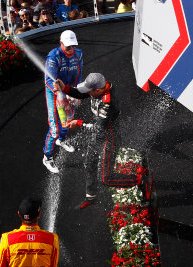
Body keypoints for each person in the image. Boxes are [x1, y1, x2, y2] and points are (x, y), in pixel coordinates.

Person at [59, 72, 140, 208]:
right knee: (89, 163)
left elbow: (98, 128)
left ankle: (139, 180)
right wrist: (64, 88)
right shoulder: (99, 87)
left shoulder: (108, 103)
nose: (88, 94)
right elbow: (81, 93)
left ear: (98, 90)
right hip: (99, 135)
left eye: (90, 92)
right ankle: (91, 198)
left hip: (109, 138)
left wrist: (78, 123)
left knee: (106, 178)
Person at [42, 29, 82, 173]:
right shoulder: (53, 57)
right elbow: (49, 80)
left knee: (68, 120)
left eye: (73, 46)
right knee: (55, 128)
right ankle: (47, 157)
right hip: (54, 94)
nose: (71, 49)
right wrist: (59, 93)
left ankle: (62, 139)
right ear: (61, 43)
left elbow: (78, 74)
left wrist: (76, 93)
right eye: (68, 46)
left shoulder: (79, 54)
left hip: (69, 91)